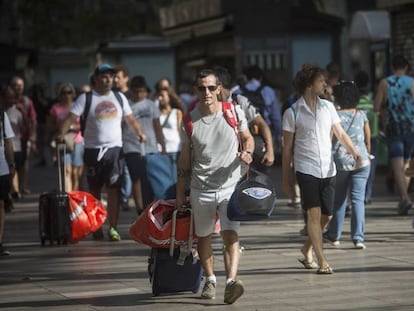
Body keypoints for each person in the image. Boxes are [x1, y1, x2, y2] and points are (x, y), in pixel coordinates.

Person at [175, 69, 254, 304]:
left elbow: (248, 137)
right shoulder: (190, 121)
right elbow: (184, 162)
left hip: (230, 186)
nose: (207, 92)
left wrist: (248, 152)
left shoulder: (233, 111)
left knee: (231, 234)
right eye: (202, 88)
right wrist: (180, 194)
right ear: (196, 90)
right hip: (201, 188)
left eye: (211, 87)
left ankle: (231, 282)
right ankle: (210, 279)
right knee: (204, 237)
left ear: (219, 88)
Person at [282, 64, 362, 274]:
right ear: (309, 85)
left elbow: (340, 133)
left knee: (328, 215)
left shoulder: (328, 107)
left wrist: (354, 151)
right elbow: (287, 149)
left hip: (328, 168)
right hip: (305, 168)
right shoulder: (292, 112)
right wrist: (286, 180)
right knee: (314, 215)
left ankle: (306, 248)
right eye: (321, 81)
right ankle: (322, 260)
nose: (325, 84)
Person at [58, 64, 146, 241]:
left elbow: (130, 119)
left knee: (114, 189)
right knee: (95, 190)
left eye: (111, 77)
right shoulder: (86, 98)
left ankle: (113, 227)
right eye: (104, 76)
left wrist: (139, 132)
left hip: (114, 150)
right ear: (96, 79)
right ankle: (96, 225)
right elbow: (70, 118)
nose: (108, 80)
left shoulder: (120, 97)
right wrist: (61, 134)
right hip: (92, 150)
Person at [324, 81, 371, 250]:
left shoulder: (335, 116)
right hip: (362, 161)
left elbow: (329, 140)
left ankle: (334, 235)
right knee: (358, 199)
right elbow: (367, 138)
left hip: (341, 162)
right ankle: (358, 238)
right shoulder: (361, 114)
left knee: (339, 200)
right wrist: (366, 154)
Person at [374, 54, 414, 215]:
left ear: (392, 67)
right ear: (406, 67)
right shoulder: (412, 82)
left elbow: (376, 108)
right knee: (407, 164)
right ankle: (404, 198)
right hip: (411, 128)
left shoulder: (384, 83)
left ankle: (404, 197)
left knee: (397, 165)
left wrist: (383, 118)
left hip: (394, 128)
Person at [214, 66, 274, 169]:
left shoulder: (239, 101)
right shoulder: (210, 105)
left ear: (220, 86)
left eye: (212, 87)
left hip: (248, 156)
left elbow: (262, 124)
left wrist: (270, 150)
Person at [122, 75, 166, 215]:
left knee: (148, 179)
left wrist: (162, 145)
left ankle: (149, 207)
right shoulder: (126, 105)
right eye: (136, 91)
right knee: (136, 178)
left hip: (150, 147)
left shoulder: (151, 105)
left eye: (142, 91)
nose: (139, 94)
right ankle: (140, 209)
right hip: (131, 146)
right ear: (131, 91)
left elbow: (157, 126)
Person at [234, 65, 282, 158]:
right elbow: (276, 118)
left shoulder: (237, 92)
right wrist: (277, 137)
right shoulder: (268, 91)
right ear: (261, 78)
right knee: (263, 168)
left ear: (246, 77)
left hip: (243, 137)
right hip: (263, 136)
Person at [48, 83, 84, 191]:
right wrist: (61, 128)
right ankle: (69, 197)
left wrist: (71, 126)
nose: (66, 95)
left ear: (73, 94)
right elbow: (49, 125)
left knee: (76, 172)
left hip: (77, 140)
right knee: (67, 170)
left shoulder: (78, 106)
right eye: (64, 92)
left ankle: (75, 196)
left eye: (69, 92)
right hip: (63, 141)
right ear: (60, 95)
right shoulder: (55, 108)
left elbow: (84, 124)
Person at [9, 75, 37, 196]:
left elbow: (33, 119)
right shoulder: (5, 99)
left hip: (23, 137)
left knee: (23, 162)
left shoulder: (26, 101)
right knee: (11, 162)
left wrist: (33, 136)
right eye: (15, 85)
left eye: (20, 86)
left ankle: (22, 185)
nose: (17, 88)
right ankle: (14, 188)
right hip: (8, 137)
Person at [355, 70, 378, 204]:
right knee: (371, 165)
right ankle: (367, 195)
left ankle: (360, 192)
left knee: (358, 165)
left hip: (357, 136)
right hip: (373, 135)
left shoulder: (354, 98)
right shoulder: (372, 98)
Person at [113, 64, 132, 211]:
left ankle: (124, 197)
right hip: (114, 138)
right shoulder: (111, 95)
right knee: (117, 168)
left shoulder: (131, 96)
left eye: (118, 77)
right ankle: (121, 195)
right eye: (114, 77)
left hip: (129, 138)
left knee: (126, 169)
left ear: (126, 79)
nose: (115, 80)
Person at [2, 87, 27, 200]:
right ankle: (14, 191)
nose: (10, 100)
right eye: (7, 98)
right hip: (6, 148)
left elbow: (25, 126)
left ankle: (17, 189)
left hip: (16, 144)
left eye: (12, 98)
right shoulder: (2, 112)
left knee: (17, 168)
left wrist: (23, 112)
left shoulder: (17, 111)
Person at [0, 87, 16, 256]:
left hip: (2, 167)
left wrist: (11, 165)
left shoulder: (2, 116)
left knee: (1, 204)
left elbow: (8, 142)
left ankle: (0, 241)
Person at [156, 87, 184, 182]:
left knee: (176, 178)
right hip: (161, 150)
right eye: (159, 96)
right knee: (165, 179)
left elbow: (180, 131)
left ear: (169, 97)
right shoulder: (156, 113)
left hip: (175, 149)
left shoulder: (177, 112)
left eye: (162, 96)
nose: (160, 98)